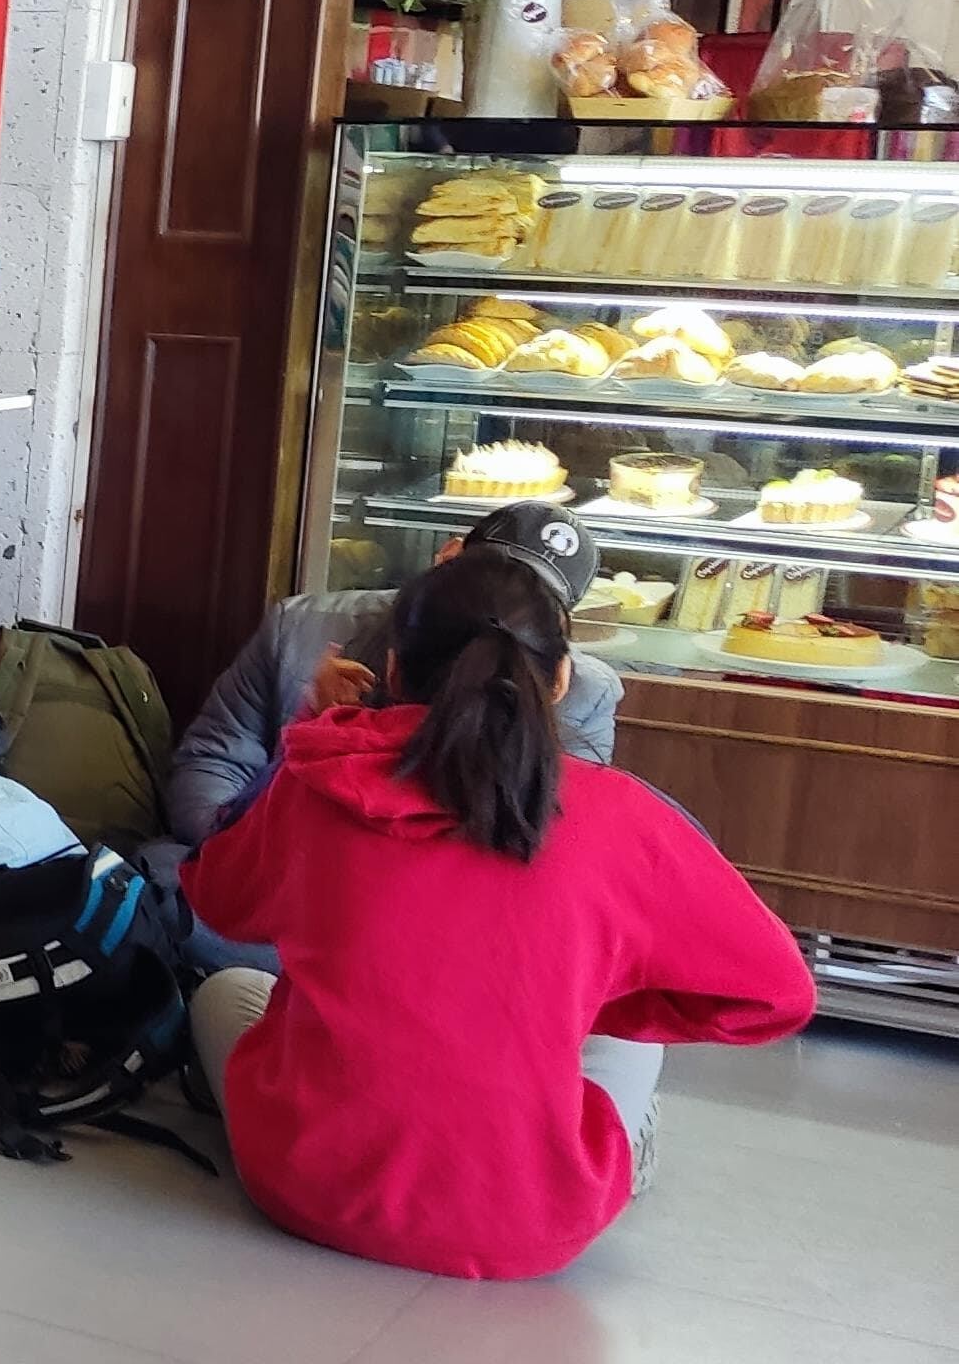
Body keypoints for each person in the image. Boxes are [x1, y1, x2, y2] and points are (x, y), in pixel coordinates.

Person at [180, 548, 814, 1281]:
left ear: (391, 671)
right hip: (530, 1223)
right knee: (637, 1050)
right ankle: (619, 1152)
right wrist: (570, 1003)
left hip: (303, 1188)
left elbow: (214, 892)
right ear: (563, 679)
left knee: (223, 993)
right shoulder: (624, 815)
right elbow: (778, 995)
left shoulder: (318, 782)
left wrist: (308, 734)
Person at [166, 503, 623, 859]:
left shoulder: (587, 693)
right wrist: (239, 852)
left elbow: (543, 846)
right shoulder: (302, 630)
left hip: (442, 911)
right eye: (485, 580)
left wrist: (321, 732)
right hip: (284, 870)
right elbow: (211, 763)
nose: (497, 609)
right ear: (447, 556)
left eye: (527, 602)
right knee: (163, 873)